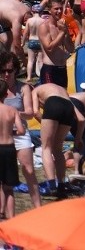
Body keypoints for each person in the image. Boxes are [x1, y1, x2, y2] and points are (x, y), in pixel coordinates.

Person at [0, 52, 40, 209]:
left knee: (28, 170)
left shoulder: (23, 88)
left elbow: (30, 113)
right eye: (3, 71)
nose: (6, 74)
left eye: (10, 70)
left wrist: (11, 113)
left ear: (16, 70)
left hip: (19, 133)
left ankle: (38, 207)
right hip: (3, 135)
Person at [32, 83, 85, 197]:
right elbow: (81, 119)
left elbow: (35, 111)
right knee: (58, 149)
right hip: (68, 108)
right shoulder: (63, 92)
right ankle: (61, 184)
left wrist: (47, 126)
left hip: (53, 104)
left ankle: (51, 185)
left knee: (46, 148)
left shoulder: (35, 91)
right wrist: (78, 139)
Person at [0, 78, 24, 219]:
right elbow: (21, 130)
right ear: (6, 94)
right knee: (9, 188)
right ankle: (12, 218)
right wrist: (11, 132)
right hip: (8, 147)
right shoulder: (12, 110)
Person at [38, 0, 74, 88]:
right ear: (49, 10)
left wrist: (65, 34)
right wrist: (62, 32)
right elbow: (49, 48)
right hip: (50, 69)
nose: (59, 11)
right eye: (56, 9)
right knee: (51, 98)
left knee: (63, 99)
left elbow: (70, 49)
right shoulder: (44, 27)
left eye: (61, 9)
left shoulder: (62, 26)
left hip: (62, 68)